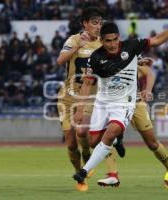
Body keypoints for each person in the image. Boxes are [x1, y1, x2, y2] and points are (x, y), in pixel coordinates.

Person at [72, 12, 168, 187]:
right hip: (103, 102)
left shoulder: (132, 46)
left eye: (115, 39)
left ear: (119, 37)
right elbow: (86, 84)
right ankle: (116, 140)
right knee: (94, 141)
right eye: (107, 41)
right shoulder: (95, 58)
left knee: (147, 140)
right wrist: (79, 109)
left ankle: (84, 171)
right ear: (101, 41)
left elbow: (157, 40)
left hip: (127, 102)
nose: (113, 44)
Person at [97, 58, 168, 187]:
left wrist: (148, 89)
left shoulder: (130, 59)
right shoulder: (101, 59)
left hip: (135, 104)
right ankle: (113, 175)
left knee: (152, 143)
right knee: (107, 137)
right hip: (113, 105)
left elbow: (148, 72)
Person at [56, 7, 103, 177]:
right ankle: (78, 172)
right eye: (94, 22)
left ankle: (86, 153)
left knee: (82, 131)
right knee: (70, 144)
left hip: (89, 94)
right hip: (67, 96)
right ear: (84, 23)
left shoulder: (103, 43)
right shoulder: (73, 39)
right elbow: (60, 60)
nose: (98, 26)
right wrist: (77, 46)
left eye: (100, 23)